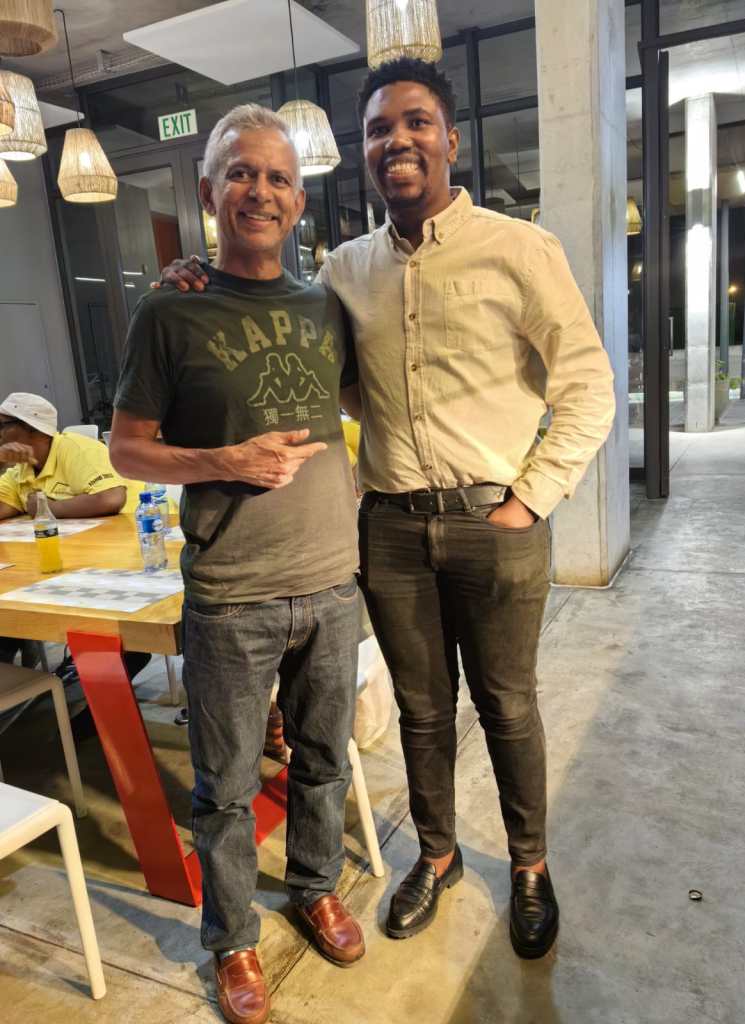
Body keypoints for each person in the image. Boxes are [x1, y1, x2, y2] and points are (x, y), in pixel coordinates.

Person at [161, 59, 616, 961]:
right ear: (364, 152)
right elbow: (322, 372)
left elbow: (590, 386)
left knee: (508, 706)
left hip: (497, 521)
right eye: (377, 129)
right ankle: (438, 855)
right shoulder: (345, 269)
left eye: (415, 123)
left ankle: (529, 865)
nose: (396, 141)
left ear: (451, 140)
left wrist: (530, 499)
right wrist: (197, 281)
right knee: (420, 709)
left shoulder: (520, 249)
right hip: (392, 529)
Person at [109, 104, 365, 1024]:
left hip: (332, 580)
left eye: (279, 177)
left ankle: (315, 887)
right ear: (210, 189)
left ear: (299, 200)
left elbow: (367, 400)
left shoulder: (327, 306)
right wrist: (226, 460)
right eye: (242, 173)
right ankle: (233, 941)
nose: (261, 191)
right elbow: (126, 449)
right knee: (223, 788)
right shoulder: (169, 312)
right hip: (229, 596)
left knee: (323, 762)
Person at [0, 392, 145, 674]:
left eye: (3, 425)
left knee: (98, 626)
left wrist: (46, 508)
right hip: (70, 558)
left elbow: (111, 498)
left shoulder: (75, 449)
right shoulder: (20, 469)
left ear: (32, 428)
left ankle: (115, 661)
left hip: (127, 550)